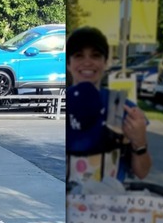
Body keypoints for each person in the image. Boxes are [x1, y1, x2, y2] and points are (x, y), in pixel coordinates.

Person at [65, 26, 151, 183]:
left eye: (95, 56)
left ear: (105, 63)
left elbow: (142, 172)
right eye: (79, 56)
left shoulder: (122, 108)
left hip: (110, 204)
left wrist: (140, 142)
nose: (87, 62)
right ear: (69, 64)